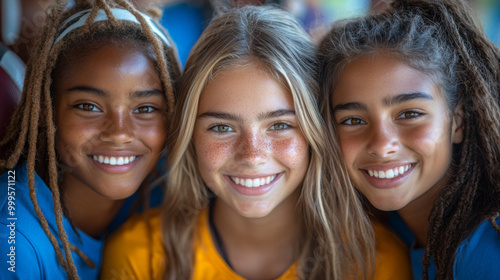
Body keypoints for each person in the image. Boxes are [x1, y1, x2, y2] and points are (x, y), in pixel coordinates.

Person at [101, 5, 412, 280]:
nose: (251, 155)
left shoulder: (374, 262)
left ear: (316, 130)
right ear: (188, 135)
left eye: (279, 125)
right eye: (222, 127)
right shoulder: (139, 257)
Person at [317, 0, 500, 279]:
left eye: (410, 114)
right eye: (353, 120)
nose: (381, 144)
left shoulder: (485, 257)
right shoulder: (390, 228)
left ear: (457, 121)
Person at [0, 0, 181, 278]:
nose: (119, 132)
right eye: (89, 106)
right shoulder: (13, 245)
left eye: (145, 109)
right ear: (46, 109)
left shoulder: (163, 193)